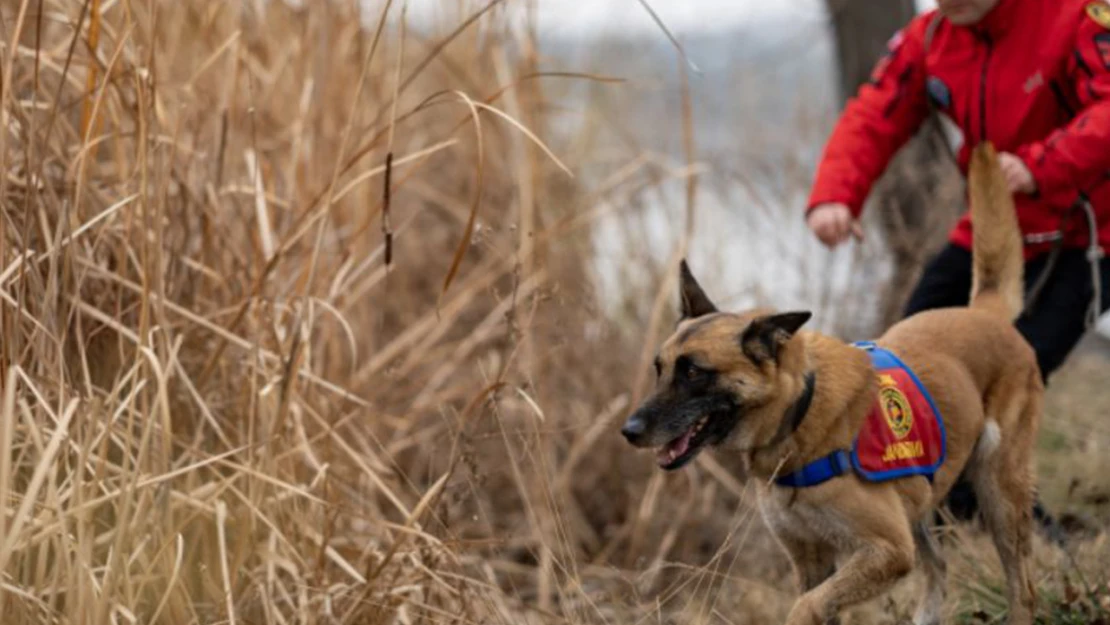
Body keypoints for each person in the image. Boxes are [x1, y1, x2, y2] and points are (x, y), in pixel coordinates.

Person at [804, 0, 1110, 536]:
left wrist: (1042, 164)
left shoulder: (1076, 17)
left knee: (1016, 363)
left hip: (1091, 234)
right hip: (993, 228)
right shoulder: (929, 39)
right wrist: (834, 196)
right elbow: (875, 112)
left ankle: (1015, 521)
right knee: (903, 365)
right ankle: (943, 512)